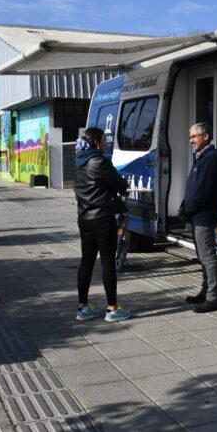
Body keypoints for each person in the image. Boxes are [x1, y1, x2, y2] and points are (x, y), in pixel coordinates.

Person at [73, 127, 131, 322]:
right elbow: (120, 185)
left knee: (86, 262)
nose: (106, 144)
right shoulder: (99, 162)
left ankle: (82, 307)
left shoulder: (79, 162)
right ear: (97, 142)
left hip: (84, 219)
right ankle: (112, 308)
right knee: (107, 262)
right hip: (102, 219)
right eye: (104, 141)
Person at [179, 122, 217, 313]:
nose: (191, 141)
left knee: (208, 258)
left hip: (203, 217)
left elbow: (202, 192)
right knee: (202, 257)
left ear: (206, 136)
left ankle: (213, 298)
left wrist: (187, 209)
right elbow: (193, 188)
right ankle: (205, 291)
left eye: (194, 137)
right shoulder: (201, 157)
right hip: (196, 216)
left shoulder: (210, 159)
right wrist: (184, 205)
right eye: (190, 137)